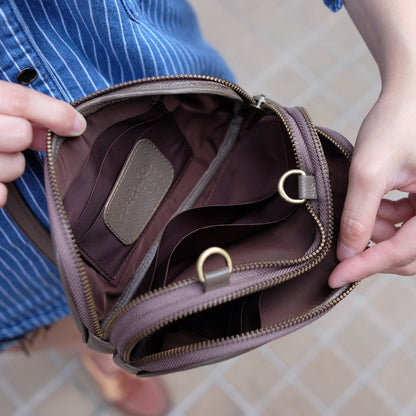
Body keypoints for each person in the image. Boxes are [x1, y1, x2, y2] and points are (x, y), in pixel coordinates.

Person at [0, 0, 415, 415]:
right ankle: (112, 344)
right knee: (51, 321)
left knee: (114, 326)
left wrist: (409, 80)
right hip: (14, 251)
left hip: (206, 125)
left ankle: (118, 341)